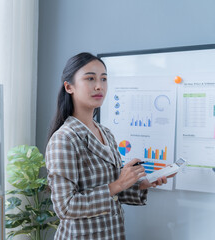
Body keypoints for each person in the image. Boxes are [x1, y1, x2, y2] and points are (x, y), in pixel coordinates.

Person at [45, 52, 171, 240]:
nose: (99, 86)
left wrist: (142, 184)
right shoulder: (64, 139)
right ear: (69, 87)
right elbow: (66, 207)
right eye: (90, 78)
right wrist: (118, 183)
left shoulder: (106, 134)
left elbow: (113, 193)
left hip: (112, 234)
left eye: (104, 79)